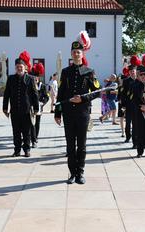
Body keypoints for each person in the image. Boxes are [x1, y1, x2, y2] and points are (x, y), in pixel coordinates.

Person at [54, 41, 100, 185]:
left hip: (83, 113)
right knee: (69, 145)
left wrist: (83, 98)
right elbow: (60, 94)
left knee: (81, 144)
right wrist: (57, 112)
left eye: (78, 52)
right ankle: (72, 173)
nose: (76, 54)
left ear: (82, 54)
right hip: (68, 113)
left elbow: (98, 92)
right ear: (71, 54)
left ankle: (80, 172)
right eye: (74, 52)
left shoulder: (89, 71)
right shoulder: (66, 72)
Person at [3, 57, 39, 157]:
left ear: (25, 67)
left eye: (21, 67)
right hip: (14, 110)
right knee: (16, 131)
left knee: (26, 132)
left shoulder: (30, 79)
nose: (19, 68)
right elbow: (7, 94)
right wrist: (5, 108)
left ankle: (27, 150)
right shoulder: (11, 78)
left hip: (26, 110)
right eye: (17, 67)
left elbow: (35, 94)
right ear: (15, 68)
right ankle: (17, 150)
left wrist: (36, 108)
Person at [121, 65, 137, 145]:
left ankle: (135, 141)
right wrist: (123, 105)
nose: (132, 73)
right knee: (127, 123)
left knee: (135, 124)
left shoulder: (139, 80)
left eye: (133, 71)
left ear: (136, 71)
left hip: (137, 106)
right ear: (129, 73)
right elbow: (123, 94)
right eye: (131, 72)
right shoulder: (126, 81)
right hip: (128, 105)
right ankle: (128, 137)